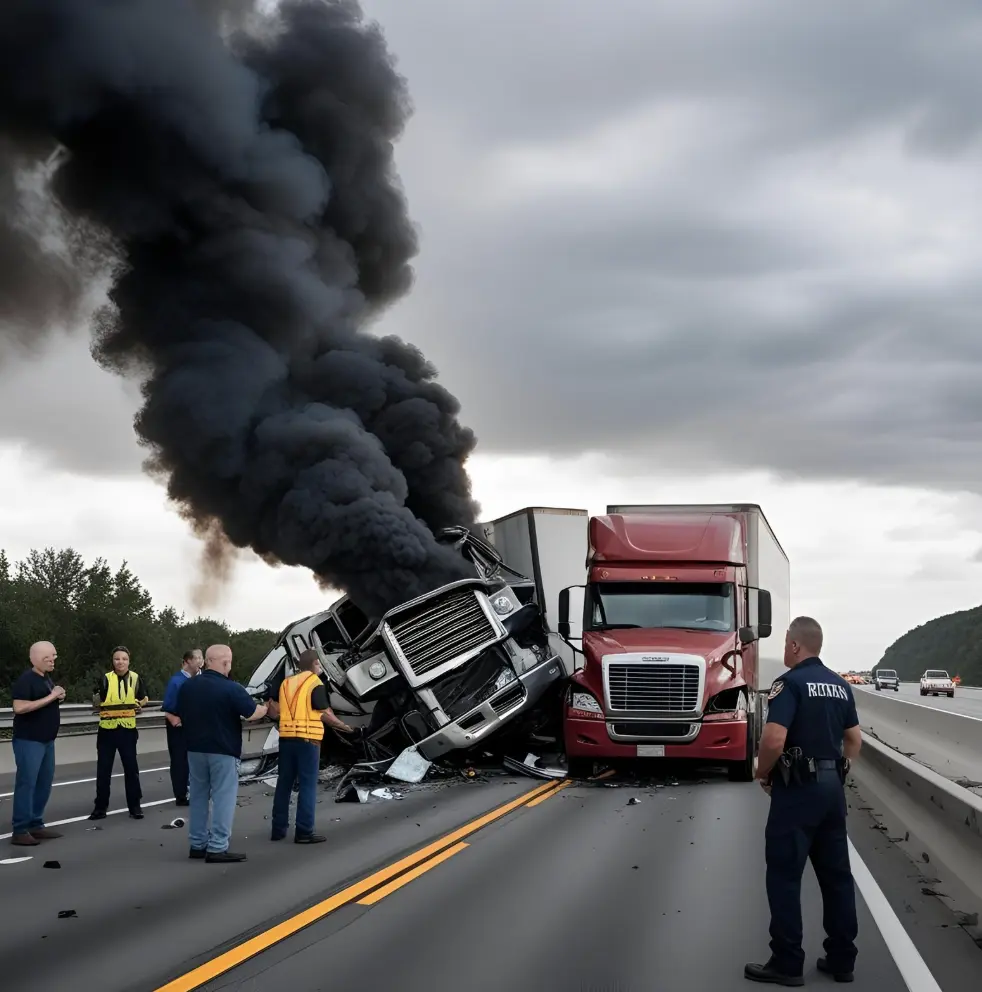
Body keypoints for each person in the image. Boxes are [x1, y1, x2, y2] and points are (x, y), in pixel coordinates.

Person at [745, 617, 863, 987]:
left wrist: (762, 772)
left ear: (795, 645)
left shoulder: (789, 684)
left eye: (785, 643)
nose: (784, 649)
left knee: (784, 876)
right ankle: (842, 959)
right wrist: (837, 772)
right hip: (832, 791)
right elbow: (854, 740)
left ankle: (787, 962)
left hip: (797, 792)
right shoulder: (840, 686)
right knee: (837, 878)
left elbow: (774, 739)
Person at [174, 643, 267, 863]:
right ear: (226, 663)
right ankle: (217, 847)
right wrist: (265, 708)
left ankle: (197, 844)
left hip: (194, 749)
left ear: (207, 661)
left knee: (198, 797)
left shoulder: (187, 686)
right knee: (223, 798)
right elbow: (251, 713)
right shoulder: (231, 688)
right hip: (223, 750)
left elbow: (180, 712)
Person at [271, 648, 354, 844]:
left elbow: (275, 710)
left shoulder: (286, 683)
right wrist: (346, 728)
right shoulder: (315, 683)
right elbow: (324, 713)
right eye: (319, 664)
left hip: (286, 739)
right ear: (315, 663)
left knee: (284, 785)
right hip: (308, 741)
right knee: (307, 786)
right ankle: (304, 832)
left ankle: (278, 830)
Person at [9, 642, 65, 846]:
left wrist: (58, 696)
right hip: (29, 741)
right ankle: (20, 829)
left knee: (44, 783)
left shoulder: (45, 678)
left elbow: (45, 700)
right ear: (35, 658)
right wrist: (52, 696)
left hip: (47, 740)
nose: (52, 660)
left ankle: (35, 823)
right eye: (48, 657)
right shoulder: (26, 680)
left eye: (54, 656)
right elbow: (19, 707)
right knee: (27, 783)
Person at [89, 646, 148, 821]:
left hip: (127, 729)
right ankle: (100, 807)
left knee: (131, 769)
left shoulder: (136, 678)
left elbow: (144, 697)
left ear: (129, 661)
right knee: (103, 770)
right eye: (117, 659)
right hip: (107, 730)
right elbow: (96, 701)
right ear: (112, 661)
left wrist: (139, 705)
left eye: (124, 659)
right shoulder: (105, 678)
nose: (120, 662)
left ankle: (135, 806)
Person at [162, 648, 203, 806]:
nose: (201, 661)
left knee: (198, 759)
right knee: (180, 760)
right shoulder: (176, 681)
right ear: (187, 661)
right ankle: (181, 794)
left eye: (202, 658)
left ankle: (197, 790)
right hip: (179, 726)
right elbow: (168, 707)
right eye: (197, 658)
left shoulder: (202, 679)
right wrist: (173, 718)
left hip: (198, 725)